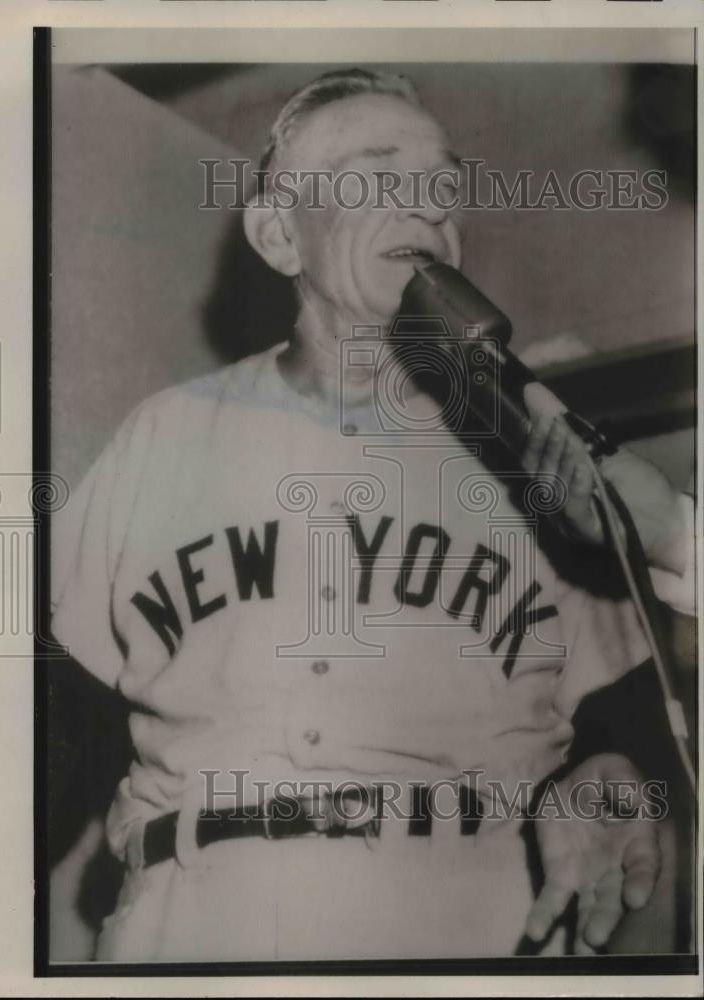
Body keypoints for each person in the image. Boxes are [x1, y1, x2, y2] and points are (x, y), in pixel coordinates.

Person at [51, 68, 694, 962]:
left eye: (443, 187)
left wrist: (607, 774)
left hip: (478, 920)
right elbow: (47, 720)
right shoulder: (163, 436)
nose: (427, 207)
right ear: (281, 235)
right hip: (202, 923)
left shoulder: (532, 455)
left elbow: (620, 722)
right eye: (377, 174)